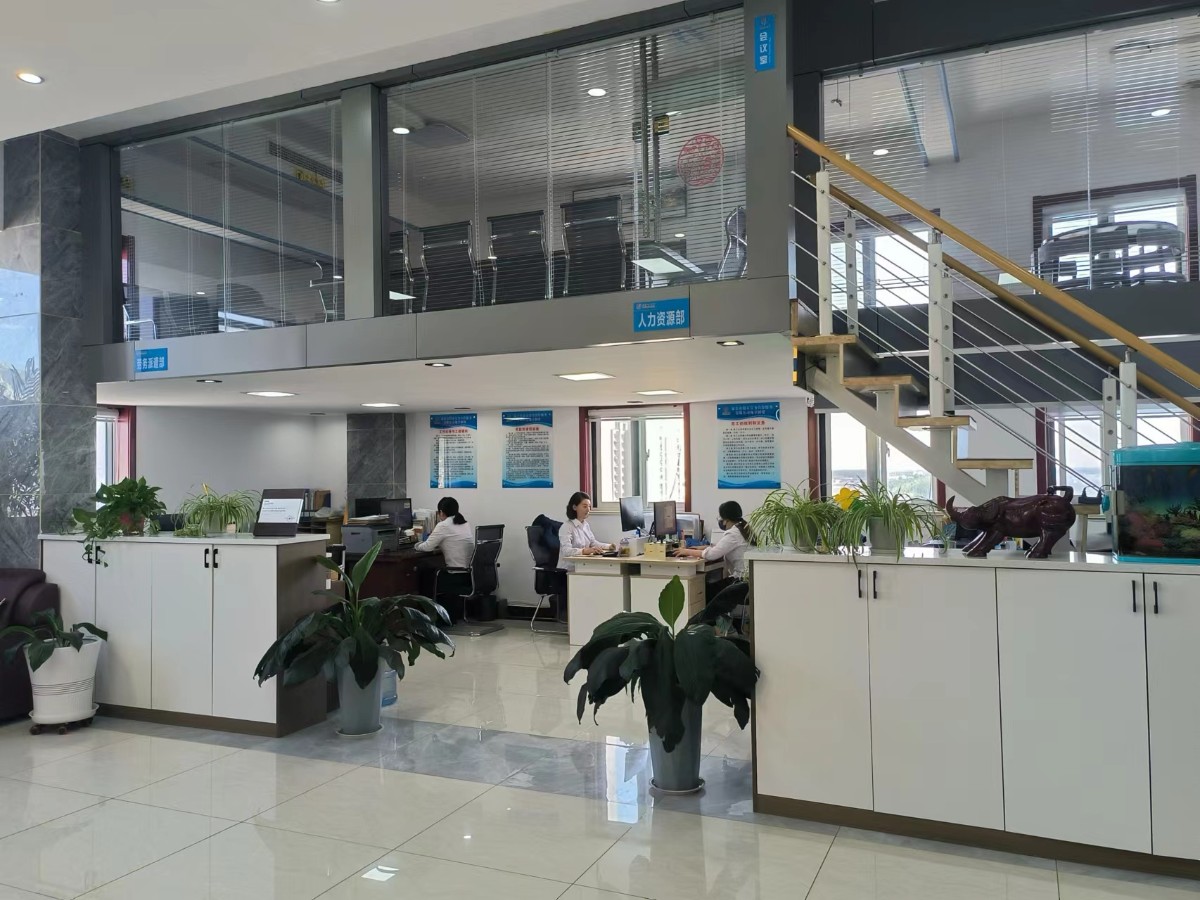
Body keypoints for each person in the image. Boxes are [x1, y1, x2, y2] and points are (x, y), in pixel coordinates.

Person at [672, 500, 752, 581]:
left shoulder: (733, 534)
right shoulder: (742, 528)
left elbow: (711, 555)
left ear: (726, 520)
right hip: (747, 579)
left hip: (742, 580)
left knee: (708, 587)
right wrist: (705, 547)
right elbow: (722, 547)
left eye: (721, 517)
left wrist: (686, 551)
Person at [558, 491, 614, 571]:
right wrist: (584, 551)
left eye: (589, 506)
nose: (588, 510)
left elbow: (593, 543)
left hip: (583, 566)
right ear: (574, 507)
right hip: (569, 570)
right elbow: (566, 551)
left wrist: (609, 546)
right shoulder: (566, 527)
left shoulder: (585, 525)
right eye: (584, 506)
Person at [414, 497, 474, 569]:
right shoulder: (465, 523)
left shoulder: (443, 525)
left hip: (455, 571)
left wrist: (416, 545)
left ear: (441, 512)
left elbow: (427, 547)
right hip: (470, 571)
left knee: (422, 564)